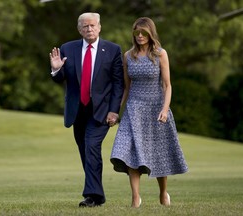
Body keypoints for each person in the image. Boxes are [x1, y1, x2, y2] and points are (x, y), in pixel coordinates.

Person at [110, 17, 188, 208]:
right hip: (133, 109)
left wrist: (164, 109)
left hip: (156, 108)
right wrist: (115, 111)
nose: (140, 36)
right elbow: (127, 88)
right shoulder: (128, 56)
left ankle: (163, 193)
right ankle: (135, 197)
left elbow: (167, 85)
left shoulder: (160, 54)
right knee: (127, 151)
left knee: (158, 153)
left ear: (150, 33)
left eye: (144, 33)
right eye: (137, 33)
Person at [49, 12, 124, 207]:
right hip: (77, 111)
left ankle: (91, 195)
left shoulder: (113, 50)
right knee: (85, 151)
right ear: (79, 29)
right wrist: (57, 69)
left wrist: (114, 111)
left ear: (99, 27)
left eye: (92, 26)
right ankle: (97, 195)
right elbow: (60, 78)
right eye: (85, 26)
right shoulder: (68, 48)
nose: (89, 29)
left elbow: (118, 84)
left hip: (101, 111)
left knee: (91, 146)